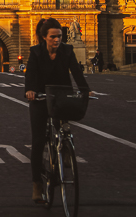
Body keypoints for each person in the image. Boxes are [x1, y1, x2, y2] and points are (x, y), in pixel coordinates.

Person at [24, 18, 92, 204]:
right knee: (38, 141)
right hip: (39, 96)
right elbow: (30, 73)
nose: (57, 40)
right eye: (53, 37)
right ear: (44, 37)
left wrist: (85, 89)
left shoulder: (67, 51)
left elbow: (76, 72)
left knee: (64, 125)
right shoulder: (36, 52)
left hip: (61, 94)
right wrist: (29, 90)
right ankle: (37, 184)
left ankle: (66, 148)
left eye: (59, 36)